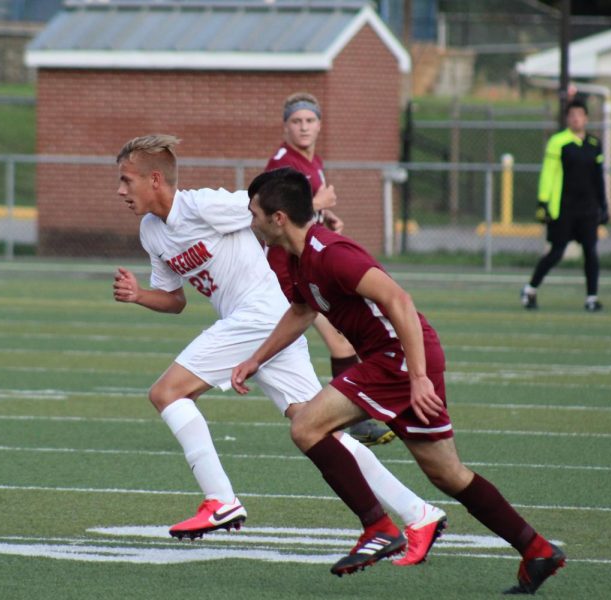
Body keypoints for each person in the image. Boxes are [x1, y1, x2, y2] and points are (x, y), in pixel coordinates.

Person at [113, 135, 446, 565]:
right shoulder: (151, 232)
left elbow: (273, 211)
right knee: (319, 427)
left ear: (154, 178)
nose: (120, 191)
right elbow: (174, 300)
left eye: (125, 180)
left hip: (260, 314)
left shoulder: (202, 206)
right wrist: (140, 295)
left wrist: (316, 210)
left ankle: (221, 500)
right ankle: (419, 513)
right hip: (263, 325)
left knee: (166, 393)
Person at [233, 167, 565, 593]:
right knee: (448, 474)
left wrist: (419, 377)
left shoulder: (331, 252)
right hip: (396, 361)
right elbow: (302, 311)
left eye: (255, 213)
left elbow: (399, 300)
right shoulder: (294, 259)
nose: (251, 221)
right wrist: (256, 360)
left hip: (398, 360)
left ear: (278, 218)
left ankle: (378, 528)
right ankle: (535, 549)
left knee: (306, 425)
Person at [266, 92, 394, 447]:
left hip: (309, 265)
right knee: (338, 339)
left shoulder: (313, 160)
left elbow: (304, 212)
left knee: (343, 338)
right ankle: (351, 419)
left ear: (319, 125)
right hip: (287, 271)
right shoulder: (282, 164)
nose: (304, 127)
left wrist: (325, 215)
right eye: (297, 121)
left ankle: (353, 415)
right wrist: (317, 203)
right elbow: (273, 210)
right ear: (285, 126)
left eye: (309, 121)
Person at [521, 98, 609, 312]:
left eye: (579, 114)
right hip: (563, 208)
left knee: (590, 251)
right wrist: (543, 202)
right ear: (567, 118)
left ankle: (591, 297)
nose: (576, 118)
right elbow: (548, 174)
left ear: (586, 118)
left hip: (587, 209)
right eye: (572, 115)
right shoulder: (558, 142)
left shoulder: (594, 144)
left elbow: (598, 178)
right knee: (557, 251)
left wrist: (603, 204)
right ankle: (530, 289)